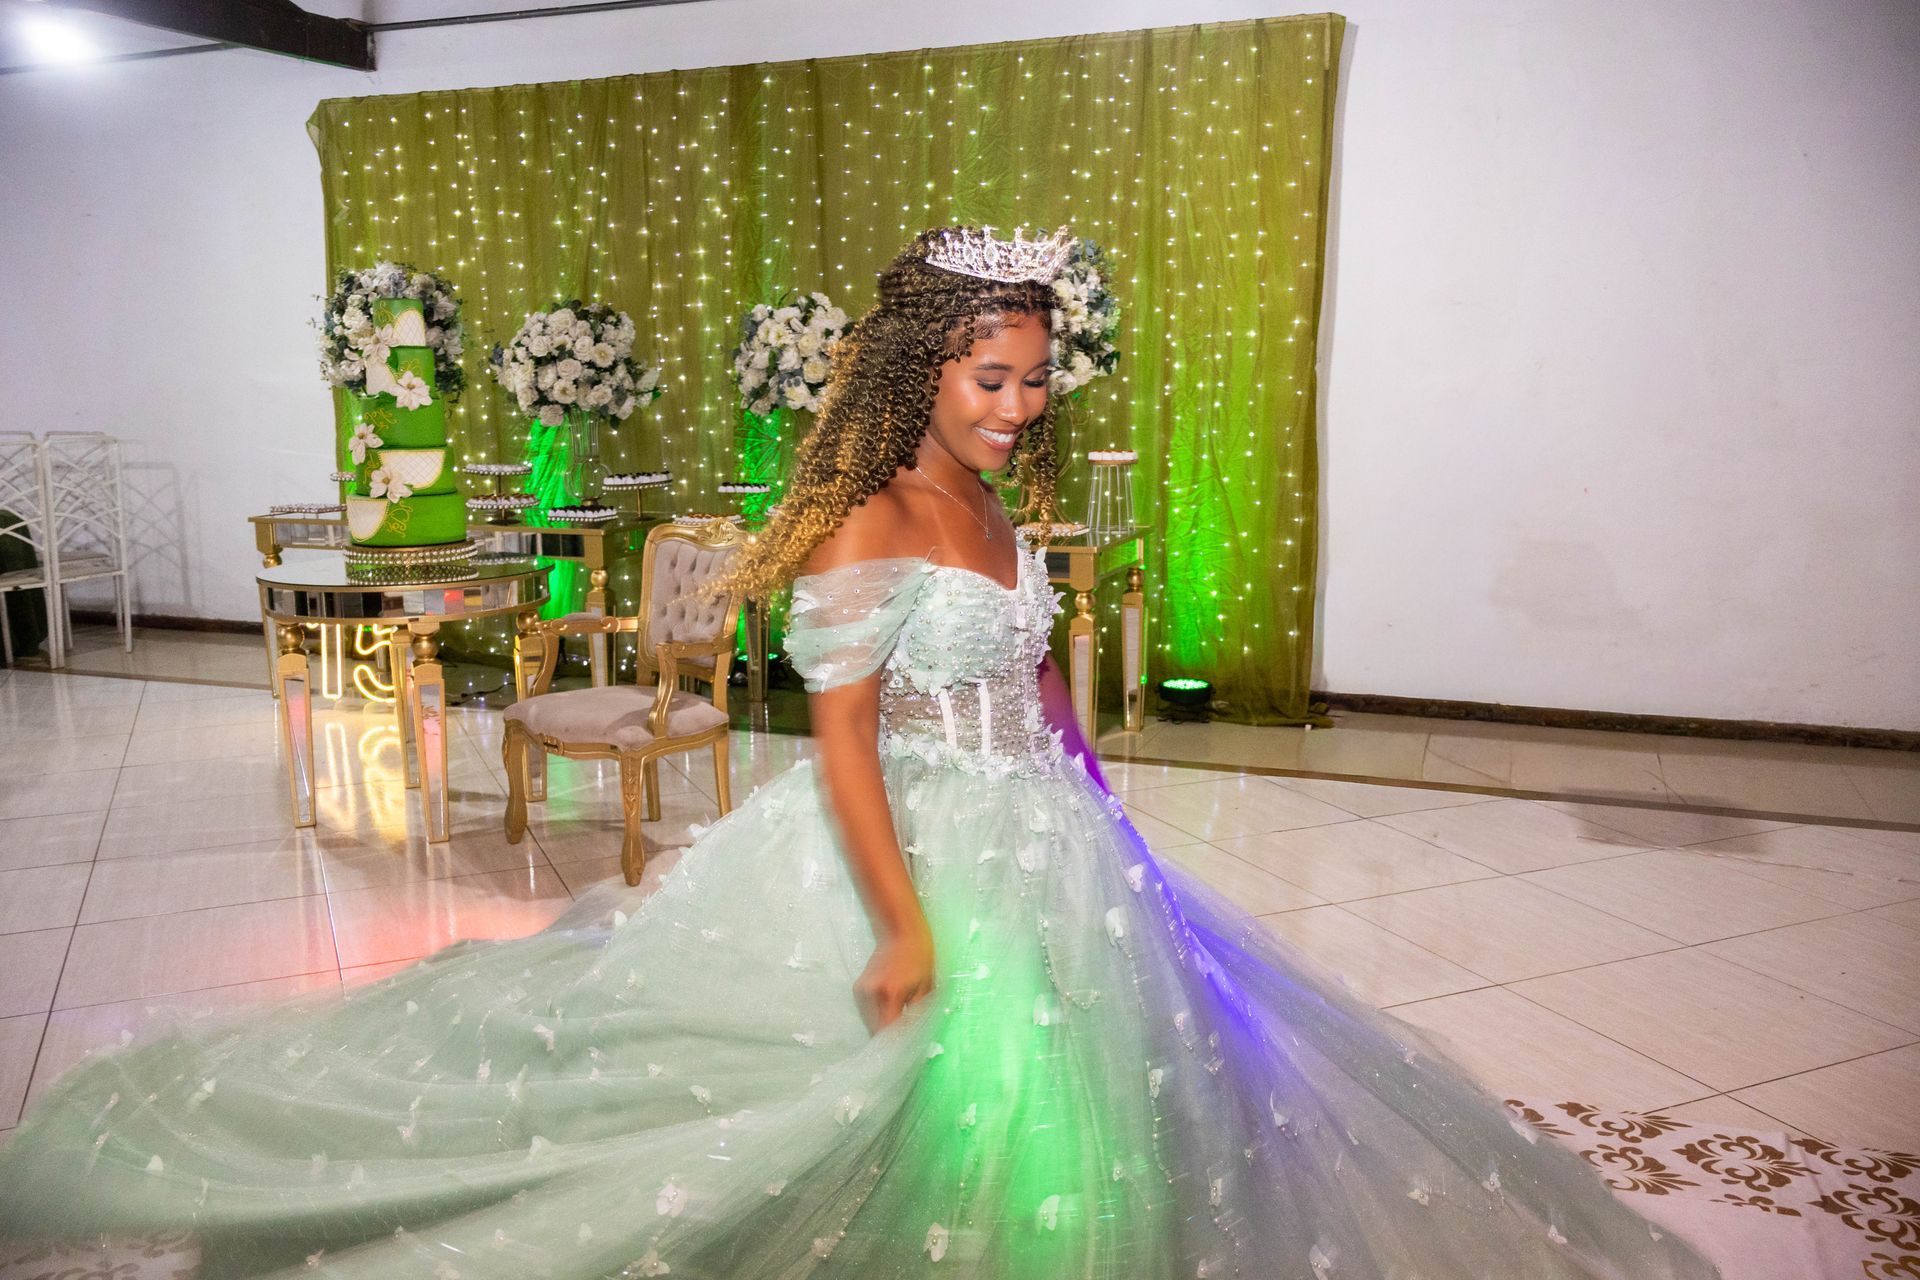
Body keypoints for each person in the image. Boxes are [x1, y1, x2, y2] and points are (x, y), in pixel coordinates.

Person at [0, 227, 1720, 1280]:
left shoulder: (996, 498)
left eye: (1038, 378)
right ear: (924, 366)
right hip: (906, 842)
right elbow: (837, 748)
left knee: (1135, 1091)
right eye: (993, 374)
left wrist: (1106, 803)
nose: (1022, 403)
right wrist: (898, 925)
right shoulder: (866, 522)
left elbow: (1040, 687)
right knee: (859, 1102)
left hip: (1049, 835)